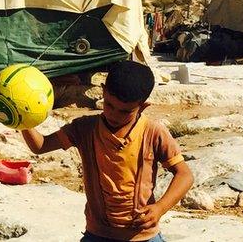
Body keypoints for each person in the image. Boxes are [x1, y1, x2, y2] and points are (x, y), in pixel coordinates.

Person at [21, 60, 193, 241]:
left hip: (141, 235)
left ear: (142, 106)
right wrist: (22, 121)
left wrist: (160, 208)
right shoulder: (85, 128)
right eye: (109, 105)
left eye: (124, 111)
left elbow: (184, 175)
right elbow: (40, 146)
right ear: (103, 91)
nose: (114, 115)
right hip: (98, 234)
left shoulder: (153, 133)